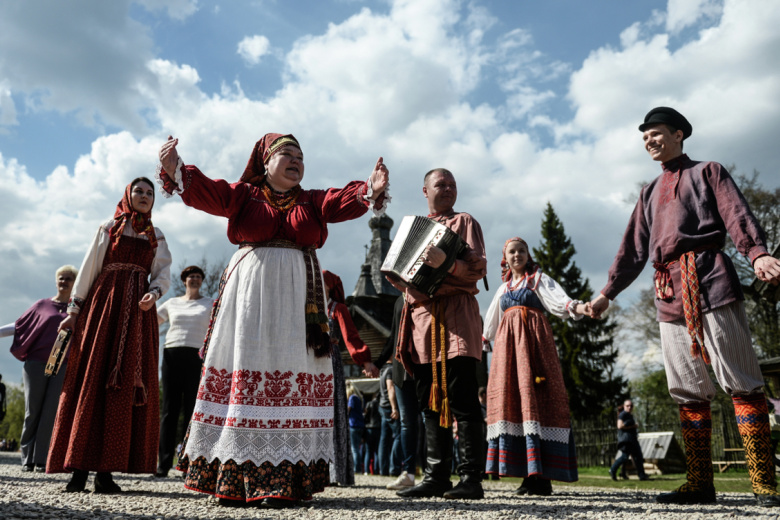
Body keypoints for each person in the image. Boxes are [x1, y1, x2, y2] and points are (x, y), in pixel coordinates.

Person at [157, 133, 389, 508]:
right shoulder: (244, 196)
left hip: (299, 302)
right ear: (265, 163)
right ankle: (232, 477)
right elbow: (210, 192)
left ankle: (286, 478)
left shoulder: (312, 201)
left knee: (290, 370)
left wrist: (369, 189)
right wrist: (176, 170)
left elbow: (341, 200)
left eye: (301, 156)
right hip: (250, 297)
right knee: (247, 369)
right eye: (287, 155)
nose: (297, 161)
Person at [590, 107, 780, 507]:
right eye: (644, 138)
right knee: (687, 388)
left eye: (656, 134)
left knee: (741, 377)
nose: (649, 142)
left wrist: (758, 254)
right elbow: (633, 250)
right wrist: (608, 291)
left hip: (710, 277)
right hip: (667, 293)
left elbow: (736, 215)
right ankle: (699, 483)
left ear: (679, 134)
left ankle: (763, 483)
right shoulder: (647, 192)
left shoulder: (709, 171)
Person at [48, 178, 172, 494]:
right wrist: (73, 314)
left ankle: (105, 472)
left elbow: (163, 274)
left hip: (137, 319)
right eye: (138, 191)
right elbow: (89, 269)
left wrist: (154, 293)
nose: (144, 196)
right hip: (104, 310)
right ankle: (77, 468)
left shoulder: (156, 236)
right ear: (127, 196)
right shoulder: (109, 228)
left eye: (150, 193)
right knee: (91, 379)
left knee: (121, 388)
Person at [394, 168, 487, 500]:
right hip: (421, 325)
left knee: (462, 400)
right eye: (440, 184)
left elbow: (477, 269)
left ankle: (472, 479)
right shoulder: (413, 229)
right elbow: (399, 276)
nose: (447, 189)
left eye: (452, 185)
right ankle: (436, 476)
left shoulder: (465, 222)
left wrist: (446, 264)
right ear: (425, 190)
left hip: (456, 320)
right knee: (430, 403)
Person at [482, 237, 586, 495]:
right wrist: (484, 339)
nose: (517, 255)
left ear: (528, 255)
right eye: (512, 252)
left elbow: (559, 301)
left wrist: (578, 307)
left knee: (537, 399)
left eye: (521, 251)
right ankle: (528, 475)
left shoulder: (539, 280)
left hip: (535, 347)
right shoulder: (503, 289)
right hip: (508, 352)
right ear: (505, 258)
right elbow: (492, 320)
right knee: (515, 401)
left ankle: (543, 477)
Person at [9, 265, 78, 472]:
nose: (63, 281)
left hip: (61, 361)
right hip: (37, 361)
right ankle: (27, 458)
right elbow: (19, 325)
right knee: (33, 410)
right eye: (60, 278)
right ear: (55, 281)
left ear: (75, 283)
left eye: (68, 278)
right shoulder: (42, 305)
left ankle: (41, 459)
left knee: (50, 412)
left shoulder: (77, 309)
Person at [155, 265, 214, 478]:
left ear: (202, 281)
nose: (195, 279)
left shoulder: (209, 304)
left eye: (198, 276)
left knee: (192, 409)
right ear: (184, 280)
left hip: (196, 358)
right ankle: (163, 463)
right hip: (171, 355)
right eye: (191, 276)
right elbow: (152, 320)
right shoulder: (171, 303)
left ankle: (188, 463)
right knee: (169, 410)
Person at [322, 269, 378, 486]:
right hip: (308, 364)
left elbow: (350, 336)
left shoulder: (338, 309)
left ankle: (336, 471)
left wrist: (365, 360)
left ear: (328, 286)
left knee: (334, 412)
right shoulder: (308, 308)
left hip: (329, 361)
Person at [376, 294, 419, 490]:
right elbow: (394, 338)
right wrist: (376, 363)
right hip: (402, 368)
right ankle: (409, 472)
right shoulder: (399, 301)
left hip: (425, 365)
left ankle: (435, 473)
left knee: (429, 418)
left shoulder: (426, 293)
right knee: (407, 422)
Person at [609, 399, 649, 481]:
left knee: (638, 457)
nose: (629, 407)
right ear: (624, 406)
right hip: (626, 440)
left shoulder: (629, 415)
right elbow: (619, 426)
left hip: (632, 439)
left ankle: (642, 475)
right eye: (627, 406)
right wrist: (632, 426)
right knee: (624, 457)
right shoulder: (623, 415)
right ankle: (612, 469)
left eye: (631, 406)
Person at [377, 364, 401, 476]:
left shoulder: (383, 370)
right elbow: (391, 388)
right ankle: (394, 469)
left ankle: (383, 469)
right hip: (389, 407)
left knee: (384, 440)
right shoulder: (391, 370)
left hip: (383, 406)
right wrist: (394, 408)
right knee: (399, 436)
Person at [346, 383, 365, 476]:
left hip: (353, 425)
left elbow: (347, 410)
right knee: (357, 448)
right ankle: (358, 468)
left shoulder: (352, 398)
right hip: (360, 425)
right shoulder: (359, 398)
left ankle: (356, 469)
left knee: (354, 448)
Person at [363, 392, 381, 474]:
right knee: (377, 451)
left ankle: (366, 470)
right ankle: (376, 470)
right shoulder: (380, 405)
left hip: (369, 428)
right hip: (378, 428)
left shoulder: (369, 404)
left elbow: (366, 416)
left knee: (368, 451)